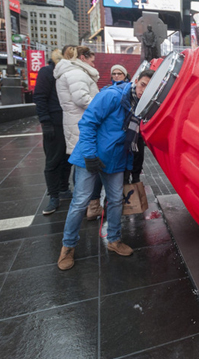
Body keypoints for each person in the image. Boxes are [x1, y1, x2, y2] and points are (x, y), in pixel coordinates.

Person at [57, 70, 155, 271]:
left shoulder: (141, 106)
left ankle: (114, 239)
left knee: (116, 200)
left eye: (149, 88)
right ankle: (68, 247)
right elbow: (87, 123)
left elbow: (131, 138)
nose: (144, 90)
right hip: (91, 156)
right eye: (143, 84)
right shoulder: (112, 95)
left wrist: (129, 167)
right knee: (80, 201)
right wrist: (91, 155)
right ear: (135, 81)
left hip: (115, 159)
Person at [54, 46, 102, 219]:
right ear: (83, 57)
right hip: (84, 125)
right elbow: (82, 99)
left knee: (80, 165)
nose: (93, 63)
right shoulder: (76, 73)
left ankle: (84, 205)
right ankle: (88, 206)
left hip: (75, 124)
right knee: (87, 166)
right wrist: (102, 107)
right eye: (91, 59)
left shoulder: (67, 72)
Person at [33, 49, 73, 215]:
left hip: (68, 123)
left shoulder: (70, 73)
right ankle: (53, 196)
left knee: (67, 158)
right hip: (54, 124)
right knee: (53, 161)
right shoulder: (47, 72)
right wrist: (45, 121)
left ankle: (64, 188)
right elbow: (40, 97)